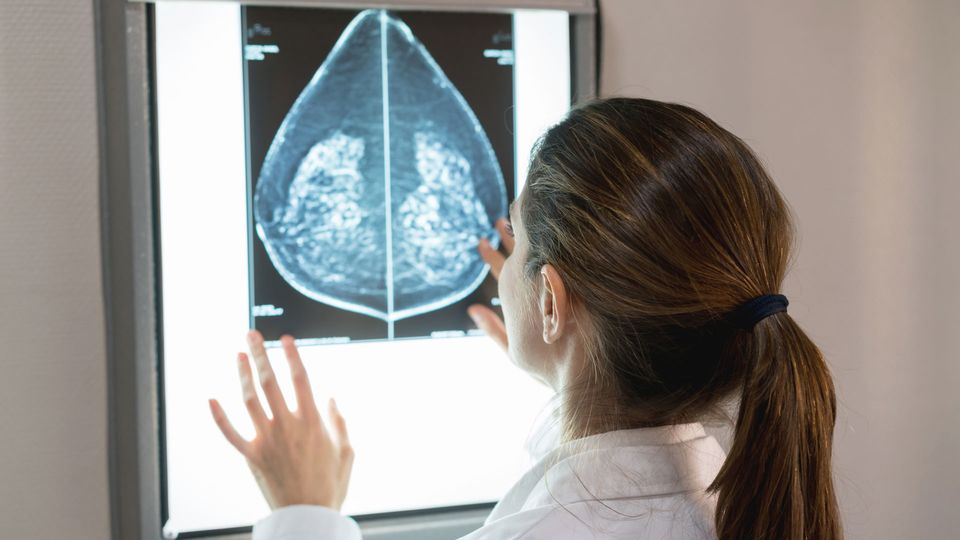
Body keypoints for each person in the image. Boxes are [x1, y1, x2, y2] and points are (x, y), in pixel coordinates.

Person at [208, 97, 842, 539]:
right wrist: (565, 358)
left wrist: (303, 513)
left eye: (514, 240)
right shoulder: (747, 504)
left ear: (550, 301)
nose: (501, 263)